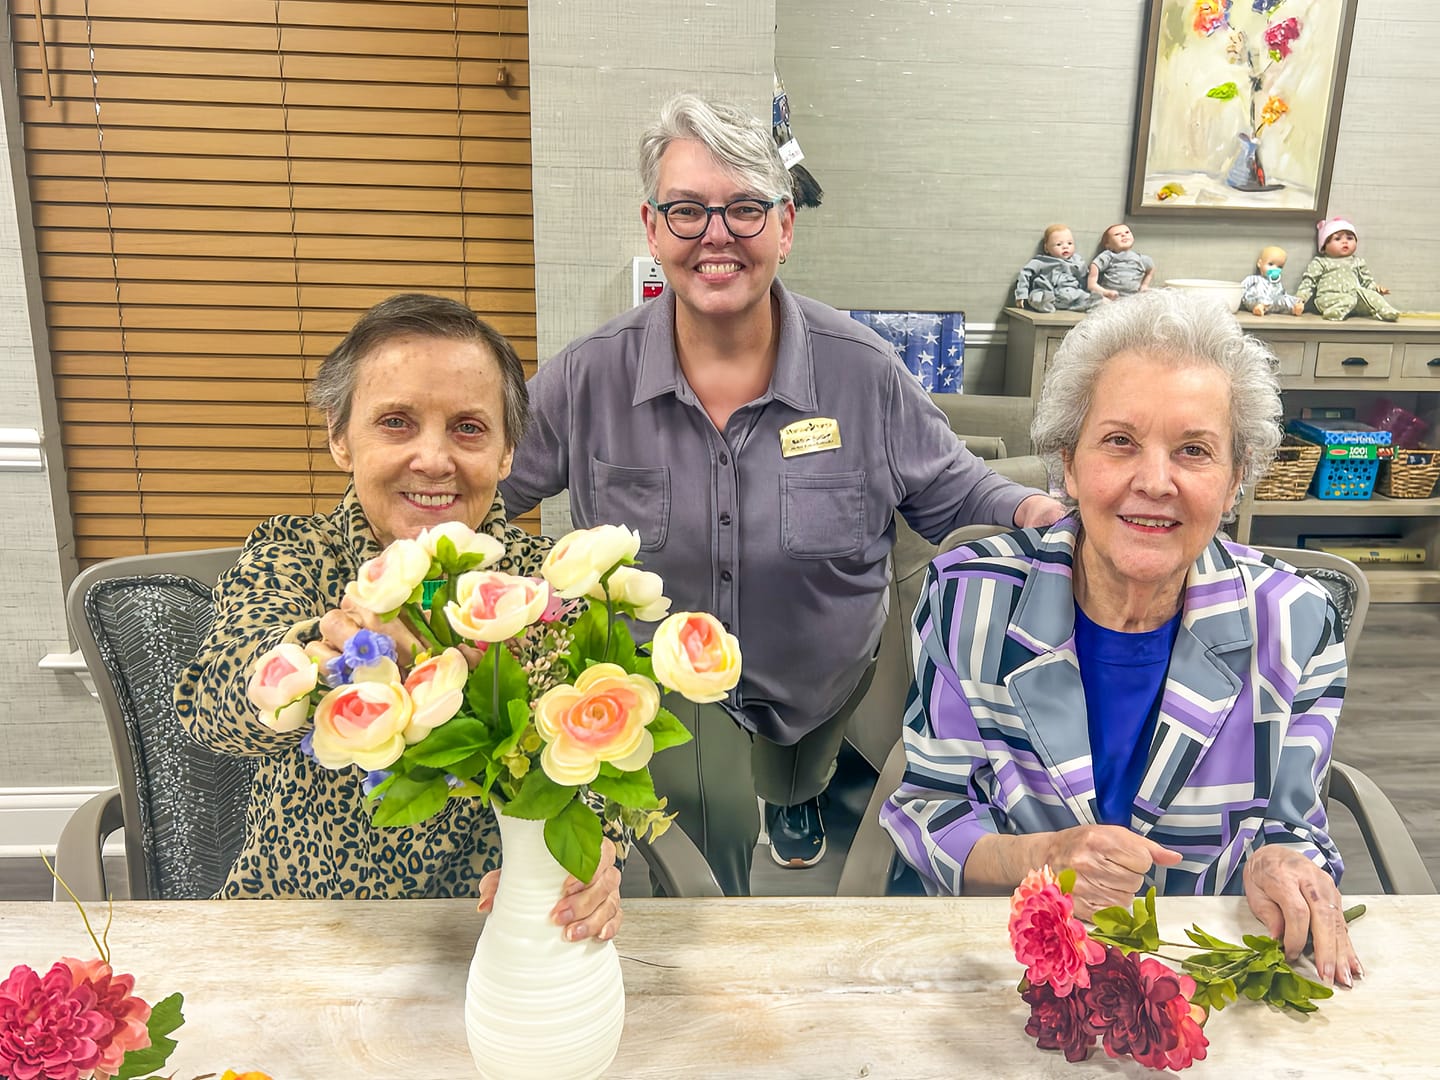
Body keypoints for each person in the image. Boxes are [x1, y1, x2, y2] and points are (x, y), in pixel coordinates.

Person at [499, 92, 1067, 896]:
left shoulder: (861, 370)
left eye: (744, 209)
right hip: (663, 708)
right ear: (653, 227)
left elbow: (947, 484)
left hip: (819, 681)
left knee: (804, 772)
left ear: (786, 226)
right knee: (702, 876)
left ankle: (793, 792)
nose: (717, 235)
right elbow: (484, 488)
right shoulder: (587, 376)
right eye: (688, 211)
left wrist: (1030, 510)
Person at [881, 289, 1360, 988]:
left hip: (1203, 973)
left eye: (1194, 450)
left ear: (1234, 481)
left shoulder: (1296, 620)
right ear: (1069, 464)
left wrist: (1282, 861)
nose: (1154, 481)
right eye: (1120, 442)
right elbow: (930, 808)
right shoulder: (968, 597)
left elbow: (1293, 824)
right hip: (1009, 963)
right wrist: (1040, 855)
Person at [175, 294, 622, 937]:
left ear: (506, 452)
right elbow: (213, 708)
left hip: (503, 922)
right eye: (396, 422)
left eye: (468, 427)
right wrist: (322, 653)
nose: (435, 459)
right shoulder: (294, 553)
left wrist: (598, 856)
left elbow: (602, 764)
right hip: (304, 925)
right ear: (339, 437)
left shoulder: (551, 581)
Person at [1296, 218, 1398, 322]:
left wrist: (1376, 289)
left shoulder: (1358, 262)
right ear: (1324, 246)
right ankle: (1333, 313)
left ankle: (1387, 311)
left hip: (1354, 299)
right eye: (1337, 239)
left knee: (1369, 295)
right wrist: (1300, 299)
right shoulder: (1321, 262)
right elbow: (1309, 282)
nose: (1345, 242)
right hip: (1329, 299)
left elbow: (1367, 281)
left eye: (1350, 238)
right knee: (1348, 299)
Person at [1013, 224, 1099, 313]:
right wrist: (1021, 294)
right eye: (1059, 244)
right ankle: (1045, 305)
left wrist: (1087, 290)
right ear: (1046, 248)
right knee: (1036, 297)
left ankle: (1086, 305)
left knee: (1091, 299)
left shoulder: (1078, 261)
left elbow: (1084, 277)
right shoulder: (1041, 261)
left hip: (1071, 293)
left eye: (1070, 243)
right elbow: (1025, 273)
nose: (1065, 246)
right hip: (1047, 292)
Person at [1087, 223, 1154, 300]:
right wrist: (1096, 285)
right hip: (1110, 296)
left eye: (1127, 232)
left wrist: (1144, 285)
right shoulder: (1109, 256)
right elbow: (1095, 265)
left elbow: (1151, 269)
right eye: (1117, 234)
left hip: (1133, 297)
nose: (1123, 235)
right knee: (1099, 301)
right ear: (1108, 245)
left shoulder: (1141, 259)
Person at [1241, 245, 1304, 316]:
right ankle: (1259, 308)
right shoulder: (1254, 279)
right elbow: (1241, 289)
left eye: (1279, 267)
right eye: (1270, 264)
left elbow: (1283, 294)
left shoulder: (1277, 283)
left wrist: (1290, 300)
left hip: (1273, 303)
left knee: (1286, 299)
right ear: (1259, 263)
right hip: (1256, 300)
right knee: (1260, 299)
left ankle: (1295, 308)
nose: (1275, 269)